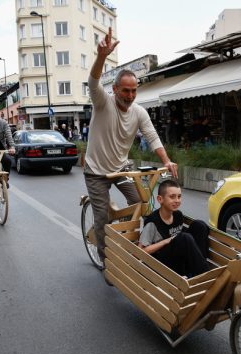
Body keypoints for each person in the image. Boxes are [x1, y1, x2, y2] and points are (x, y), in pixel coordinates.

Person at [84, 27, 178, 265]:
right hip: (96, 171)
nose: (130, 95)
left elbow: (153, 136)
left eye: (134, 90)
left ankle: (135, 243)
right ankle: (108, 264)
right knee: (102, 218)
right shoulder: (103, 102)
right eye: (125, 90)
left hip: (122, 168)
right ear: (115, 89)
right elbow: (93, 81)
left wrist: (166, 161)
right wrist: (102, 56)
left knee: (141, 204)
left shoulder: (139, 112)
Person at [139, 180, 211, 278]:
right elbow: (140, 251)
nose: (177, 200)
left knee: (200, 225)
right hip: (163, 265)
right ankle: (205, 275)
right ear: (160, 199)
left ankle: (198, 270)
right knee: (184, 237)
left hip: (179, 260)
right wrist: (166, 241)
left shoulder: (178, 215)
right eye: (172, 197)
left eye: (179, 196)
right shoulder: (152, 222)